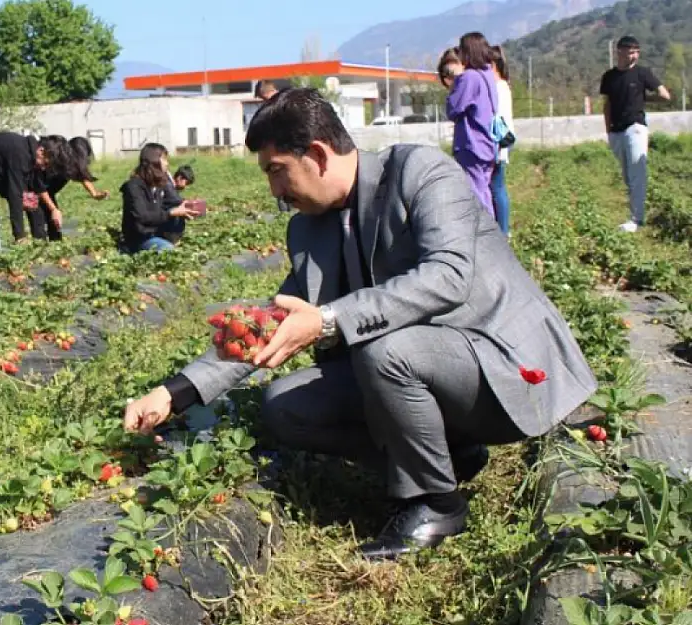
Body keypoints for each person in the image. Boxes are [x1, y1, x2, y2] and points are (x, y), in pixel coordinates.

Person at [122, 88, 597, 561]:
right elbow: (272, 322)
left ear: (317, 154)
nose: (274, 191)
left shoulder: (422, 173)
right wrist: (174, 392)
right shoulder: (311, 226)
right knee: (285, 406)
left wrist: (329, 320)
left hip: (501, 367)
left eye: (276, 171)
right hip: (421, 370)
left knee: (383, 351)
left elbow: (448, 276)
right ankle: (446, 458)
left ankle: (436, 503)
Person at [0, 132, 74, 253]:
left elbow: (38, 184)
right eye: (46, 163)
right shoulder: (21, 154)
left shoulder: (30, 152)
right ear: (41, 151)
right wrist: (20, 236)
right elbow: (15, 196)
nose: (44, 168)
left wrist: (54, 209)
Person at [600, 35, 671, 233]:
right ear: (619, 51)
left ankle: (636, 219)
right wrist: (608, 132)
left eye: (637, 51)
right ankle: (635, 215)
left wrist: (643, 99)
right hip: (616, 131)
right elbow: (607, 105)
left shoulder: (643, 73)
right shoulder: (609, 77)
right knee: (627, 175)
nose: (634, 55)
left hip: (636, 127)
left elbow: (665, 95)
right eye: (631, 51)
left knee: (637, 173)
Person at [446, 32, 498, 217]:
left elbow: (453, 108)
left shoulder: (469, 78)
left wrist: (456, 81)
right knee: (483, 190)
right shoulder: (488, 74)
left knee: (475, 194)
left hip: (472, 144)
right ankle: (491, 234)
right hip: (488, 143)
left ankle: (484, 236)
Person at [120, 143, 201, 253]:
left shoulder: (156, 186)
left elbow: (167, 205)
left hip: (154, 232)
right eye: (164, 159)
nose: (167, 163)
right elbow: (143, 217)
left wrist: (184, 208)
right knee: (168, 251)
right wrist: (171, 213)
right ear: (153, 161)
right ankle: (128, 249)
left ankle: (167, 240)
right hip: (139, 237)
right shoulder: (134, 186)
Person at [31, 136, 111, 242]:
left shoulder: (73, 163)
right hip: (34, 193)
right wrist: (53, 209)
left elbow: (82, 176)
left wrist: (94, 193)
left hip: (48, 194)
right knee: (39, 228)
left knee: (55, 227)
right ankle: (38, 248)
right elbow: (39, 187)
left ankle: (56, 248)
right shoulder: (57, 160)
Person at [255, 82, 293, 214]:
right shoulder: (275, 108)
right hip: (278, 157)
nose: (264, 102)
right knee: (281, 188)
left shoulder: (285, 107)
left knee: (289, 186)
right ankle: (286, 217)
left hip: (288, 155)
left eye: (264, 98)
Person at [490, 45, 514, 236]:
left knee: (497, 187)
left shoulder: (499, 87)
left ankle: (503, 231)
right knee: (497, 187)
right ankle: (502, 229)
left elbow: (499, 118)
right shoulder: (503, 85)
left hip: (498, 141)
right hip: (500, 141)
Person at [160, 165, 198, 245]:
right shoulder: (167, 184)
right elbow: (175, 200)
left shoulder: (170, 184)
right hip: (166, 228)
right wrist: (191, 204)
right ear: (180, 177)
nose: (185, 187)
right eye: (186, 183)